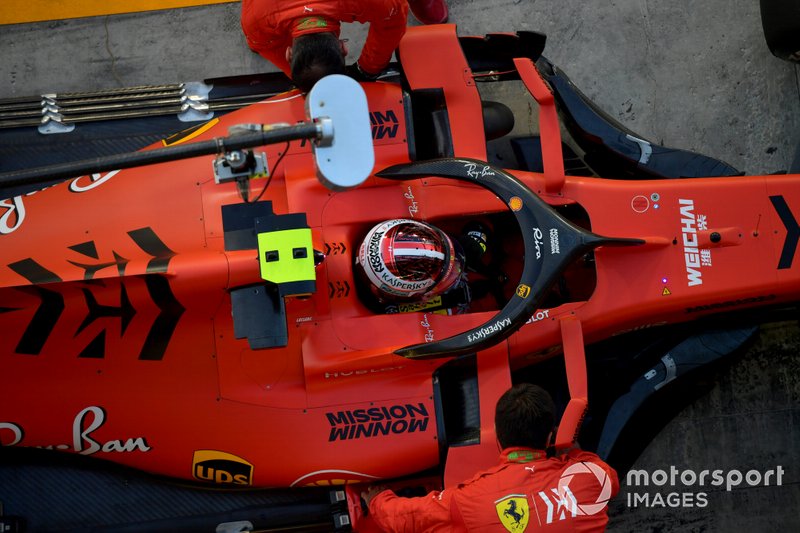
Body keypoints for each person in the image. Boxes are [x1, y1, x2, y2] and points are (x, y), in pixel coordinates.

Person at [364, 383, 620, 532]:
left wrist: (377, 498)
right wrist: (572, 452)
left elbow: (405, 518)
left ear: (498, 437)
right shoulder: (593, 478)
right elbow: (606, 476)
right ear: (551, 437)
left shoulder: (466, 499)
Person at [240, 1, 449, 93]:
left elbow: (395, 16)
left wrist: (368, 68)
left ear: (289, 52)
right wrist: (367, 70)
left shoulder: (255, 22)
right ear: (343, 48)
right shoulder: (254, 20)